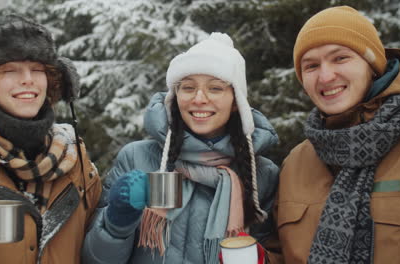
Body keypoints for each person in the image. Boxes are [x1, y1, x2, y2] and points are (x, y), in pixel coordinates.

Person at [81, 32, 279, 264]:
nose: (199, 98)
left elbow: (274, 251)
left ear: (236, 102)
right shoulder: (138, 159)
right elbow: (94, 260)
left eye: (215, 88)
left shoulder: (262, 174)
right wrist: (116, 222)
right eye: (187, 88)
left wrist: (258, 259)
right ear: (175, 97)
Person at [0, 14, 102, 263]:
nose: (28, 78)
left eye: (37, 69)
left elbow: (99, 252)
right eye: (9, 70)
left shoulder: (77, 160)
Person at [272, 5, 400, 264]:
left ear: (372, 65)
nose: (326, 76)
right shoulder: (295, 163)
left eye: (340, 58)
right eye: (311, 66)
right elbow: (278, 252)